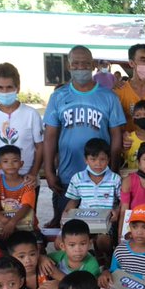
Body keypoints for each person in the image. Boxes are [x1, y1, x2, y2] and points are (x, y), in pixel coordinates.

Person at [43, 45, 126, 227]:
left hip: (102, 177)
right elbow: (50, 136)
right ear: (69, 66)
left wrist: (113, 167)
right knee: (68, 226)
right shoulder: (58, 96)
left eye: (86, 64)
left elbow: (116, 135)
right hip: (67, 174)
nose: (81, 68)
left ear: (93, 65)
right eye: (76, 63)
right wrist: (48, 170)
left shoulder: (109, 97)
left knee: (101, 227)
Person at [0, 62, 44, 183]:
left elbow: (40, 147)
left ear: (17, 88)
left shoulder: (31, 114)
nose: (5, 92)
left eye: (9, 87)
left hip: (26, 180)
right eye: (0, 87)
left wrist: (33, 173)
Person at [64, 138, 122, 254]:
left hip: (106, 223)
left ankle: (104, 261)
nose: (98, 164)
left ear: (108, 159)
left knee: (103, 240)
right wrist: (65, 216)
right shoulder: (78, 178)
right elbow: (73, 201)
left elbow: (122, 202)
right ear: (86, 160)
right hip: (83, 222)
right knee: (65, 241)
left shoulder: (115, 179)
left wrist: (116, 211)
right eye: (93, 159)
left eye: (102, 159)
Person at [0, 145, 37, 237]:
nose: (10, 164)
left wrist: (12, 223)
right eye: (5, 161)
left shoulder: (27, 183)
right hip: (2, 224)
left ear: (21, 163)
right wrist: (5, 221)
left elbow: (26, 206)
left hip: (24, 224)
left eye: (15, 161)